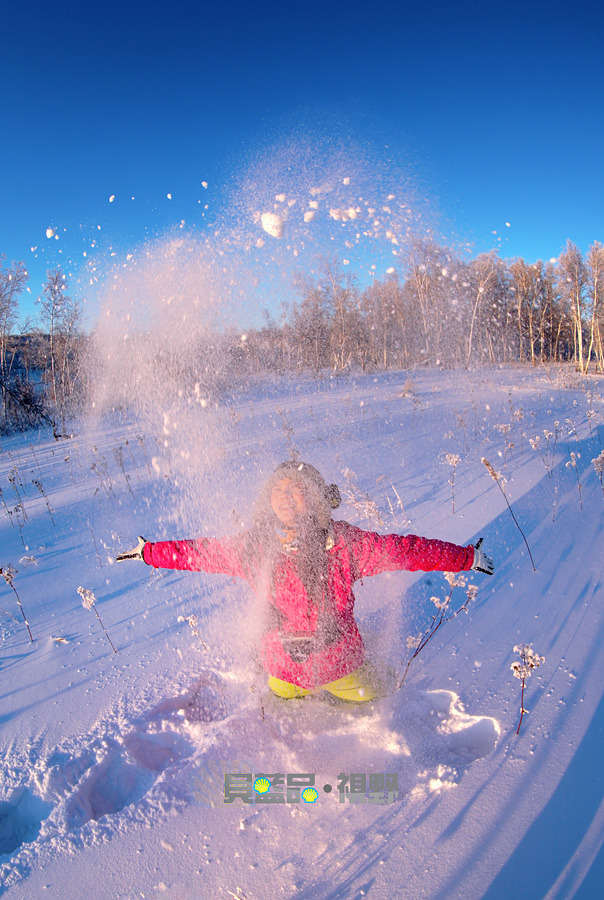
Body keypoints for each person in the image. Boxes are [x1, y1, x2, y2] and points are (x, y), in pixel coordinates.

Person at [117, 461, 493, 703]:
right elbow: (196, 552)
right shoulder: (254, 547)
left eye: (294, 487)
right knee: (384, 687)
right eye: (277, 488)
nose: (284, 494)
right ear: (268, 500)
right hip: (314, 673)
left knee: (346, 683)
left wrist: (465, 557)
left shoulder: (346, 545)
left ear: (315, 497)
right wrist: (149, 552)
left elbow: (408, 550)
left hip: (298, 673)